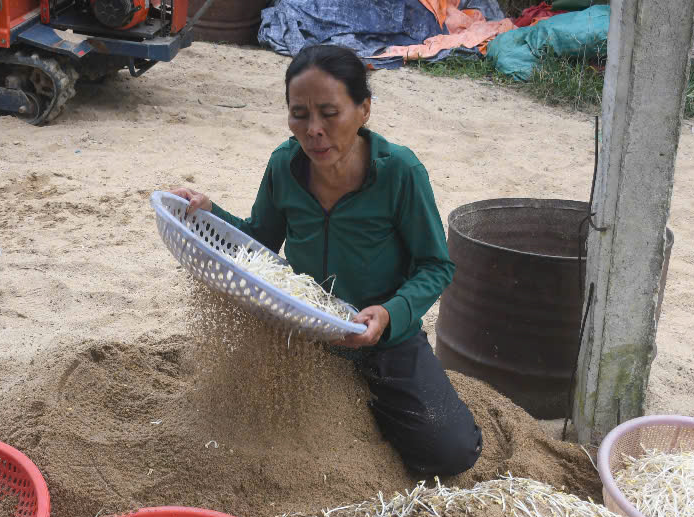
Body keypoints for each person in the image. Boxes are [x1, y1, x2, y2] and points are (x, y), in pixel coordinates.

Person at [173, 44, 482, 477]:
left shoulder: (399, 172)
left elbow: (435, 266)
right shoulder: (285, 165)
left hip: (385, 338)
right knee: (256, 432)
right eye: (299, 113)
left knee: (452, 452)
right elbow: (259, 239)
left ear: (363, 110)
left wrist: (389, 315)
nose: (313, 129)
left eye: (329, 112)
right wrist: (209, 211)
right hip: (305, 329)